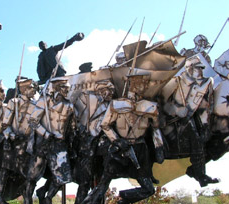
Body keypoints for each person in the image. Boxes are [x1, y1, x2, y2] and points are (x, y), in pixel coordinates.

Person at [98, 74, 163, 204]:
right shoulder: (117, 104)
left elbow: (155, 128)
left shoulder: (150, 106)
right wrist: (116, 140)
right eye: (140, 83)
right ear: (131, 85)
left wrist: (159, 146)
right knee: (101, 187)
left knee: (149, 189)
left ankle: (123, 198)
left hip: (140, 150)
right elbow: (105, 125)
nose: (143, 87)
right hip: (120, 150)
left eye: (144, 84)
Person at [160, 55, 218, 187]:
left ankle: (199, 173)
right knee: (194, 137)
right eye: (198, 68)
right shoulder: (176, 81)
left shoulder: (206, 83)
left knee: (201, 139)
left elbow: (205, 106)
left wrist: (205, 125)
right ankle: (200, 175)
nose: (201, 71)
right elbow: (161, 100)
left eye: (201, 68)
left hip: (192, 117)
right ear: (189, 68)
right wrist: (175, 109)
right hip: (172, 119)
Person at [24, 77, 76, 204]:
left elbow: (72, 127)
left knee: (63, 177)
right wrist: (46, 134)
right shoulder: (44, 102)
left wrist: (69, 142)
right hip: (43, 143)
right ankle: (27, 199)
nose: (67, 90)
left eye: (68, 88)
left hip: (60, 144)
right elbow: (33, 121)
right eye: (65, 88)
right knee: (32, 176)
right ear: (58, 88)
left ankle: (48, 198)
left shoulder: (69, 105)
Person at [0, 79, 38, 204]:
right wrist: (10, 135)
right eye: (31, 87)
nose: (34, 90)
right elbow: (5, 124)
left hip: (27, 143)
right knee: (6, 169)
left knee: (28, 173)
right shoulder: (13, 103)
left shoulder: (36, 105)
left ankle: (27, 198)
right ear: (23, 89)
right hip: (13, 142)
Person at [72, 80, 115, 204]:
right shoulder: (86, 97)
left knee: (101, 176)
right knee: (84, 181)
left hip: (101, 143)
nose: (111, 93)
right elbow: (75, 114)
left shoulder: (111, 105)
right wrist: (80, 130)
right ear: (101, 90)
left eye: (112, 91)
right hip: (85, 142)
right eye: (109, 90)